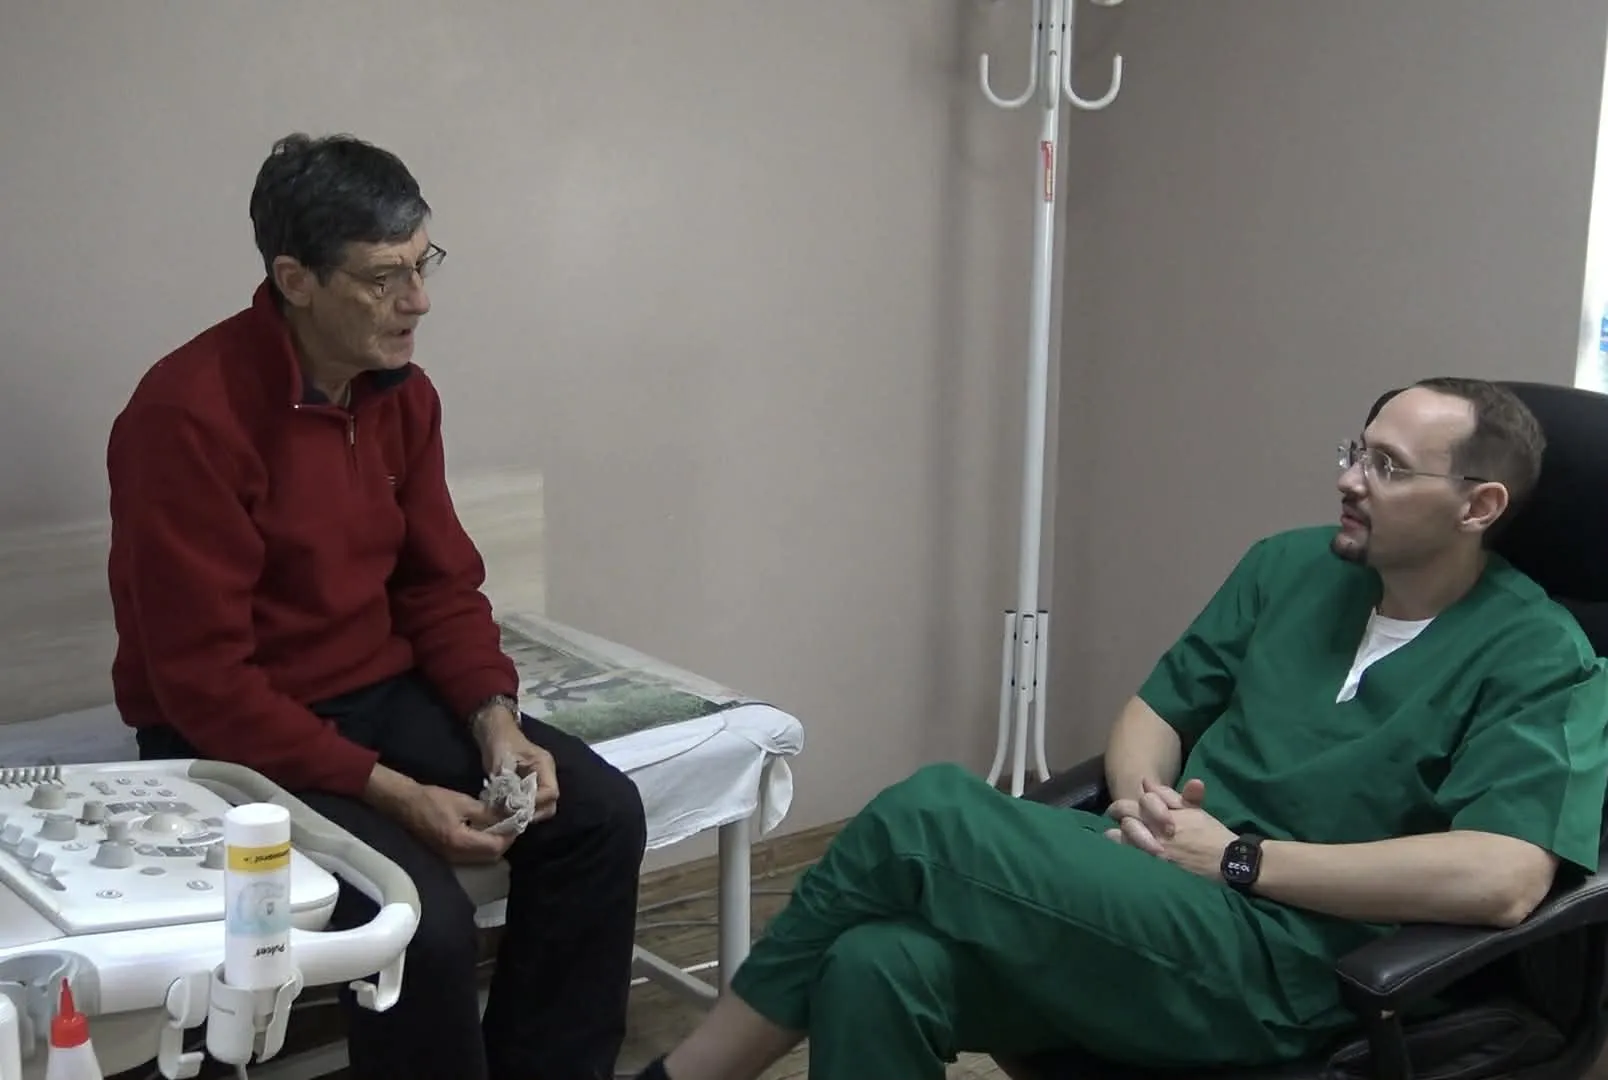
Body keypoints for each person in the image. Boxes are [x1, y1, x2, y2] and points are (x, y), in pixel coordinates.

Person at [633, 376, 1608, 1080]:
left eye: (1388, 467)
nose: (1352, 479)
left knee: (926, 813)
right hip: (1164, 897)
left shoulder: (1537, 654)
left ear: (1478, 505)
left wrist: (1240, 860)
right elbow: (1158, 708)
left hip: (1300, 958)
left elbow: (1505, 876)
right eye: (1354, 450)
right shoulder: (1290, 566)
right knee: (876, 965)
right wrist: (1145, 804)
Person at [105, 133, 647, 1080]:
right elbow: (205, 684)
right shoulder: (186, 416)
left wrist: (496, 722)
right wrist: (395, 793)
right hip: (226, 740)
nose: (419, 300)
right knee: (422, 926)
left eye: (424, 264)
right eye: (385, 276)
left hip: (376, 693)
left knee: (600, 815)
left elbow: (438, 585)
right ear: (296, 280)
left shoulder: (402, 396)